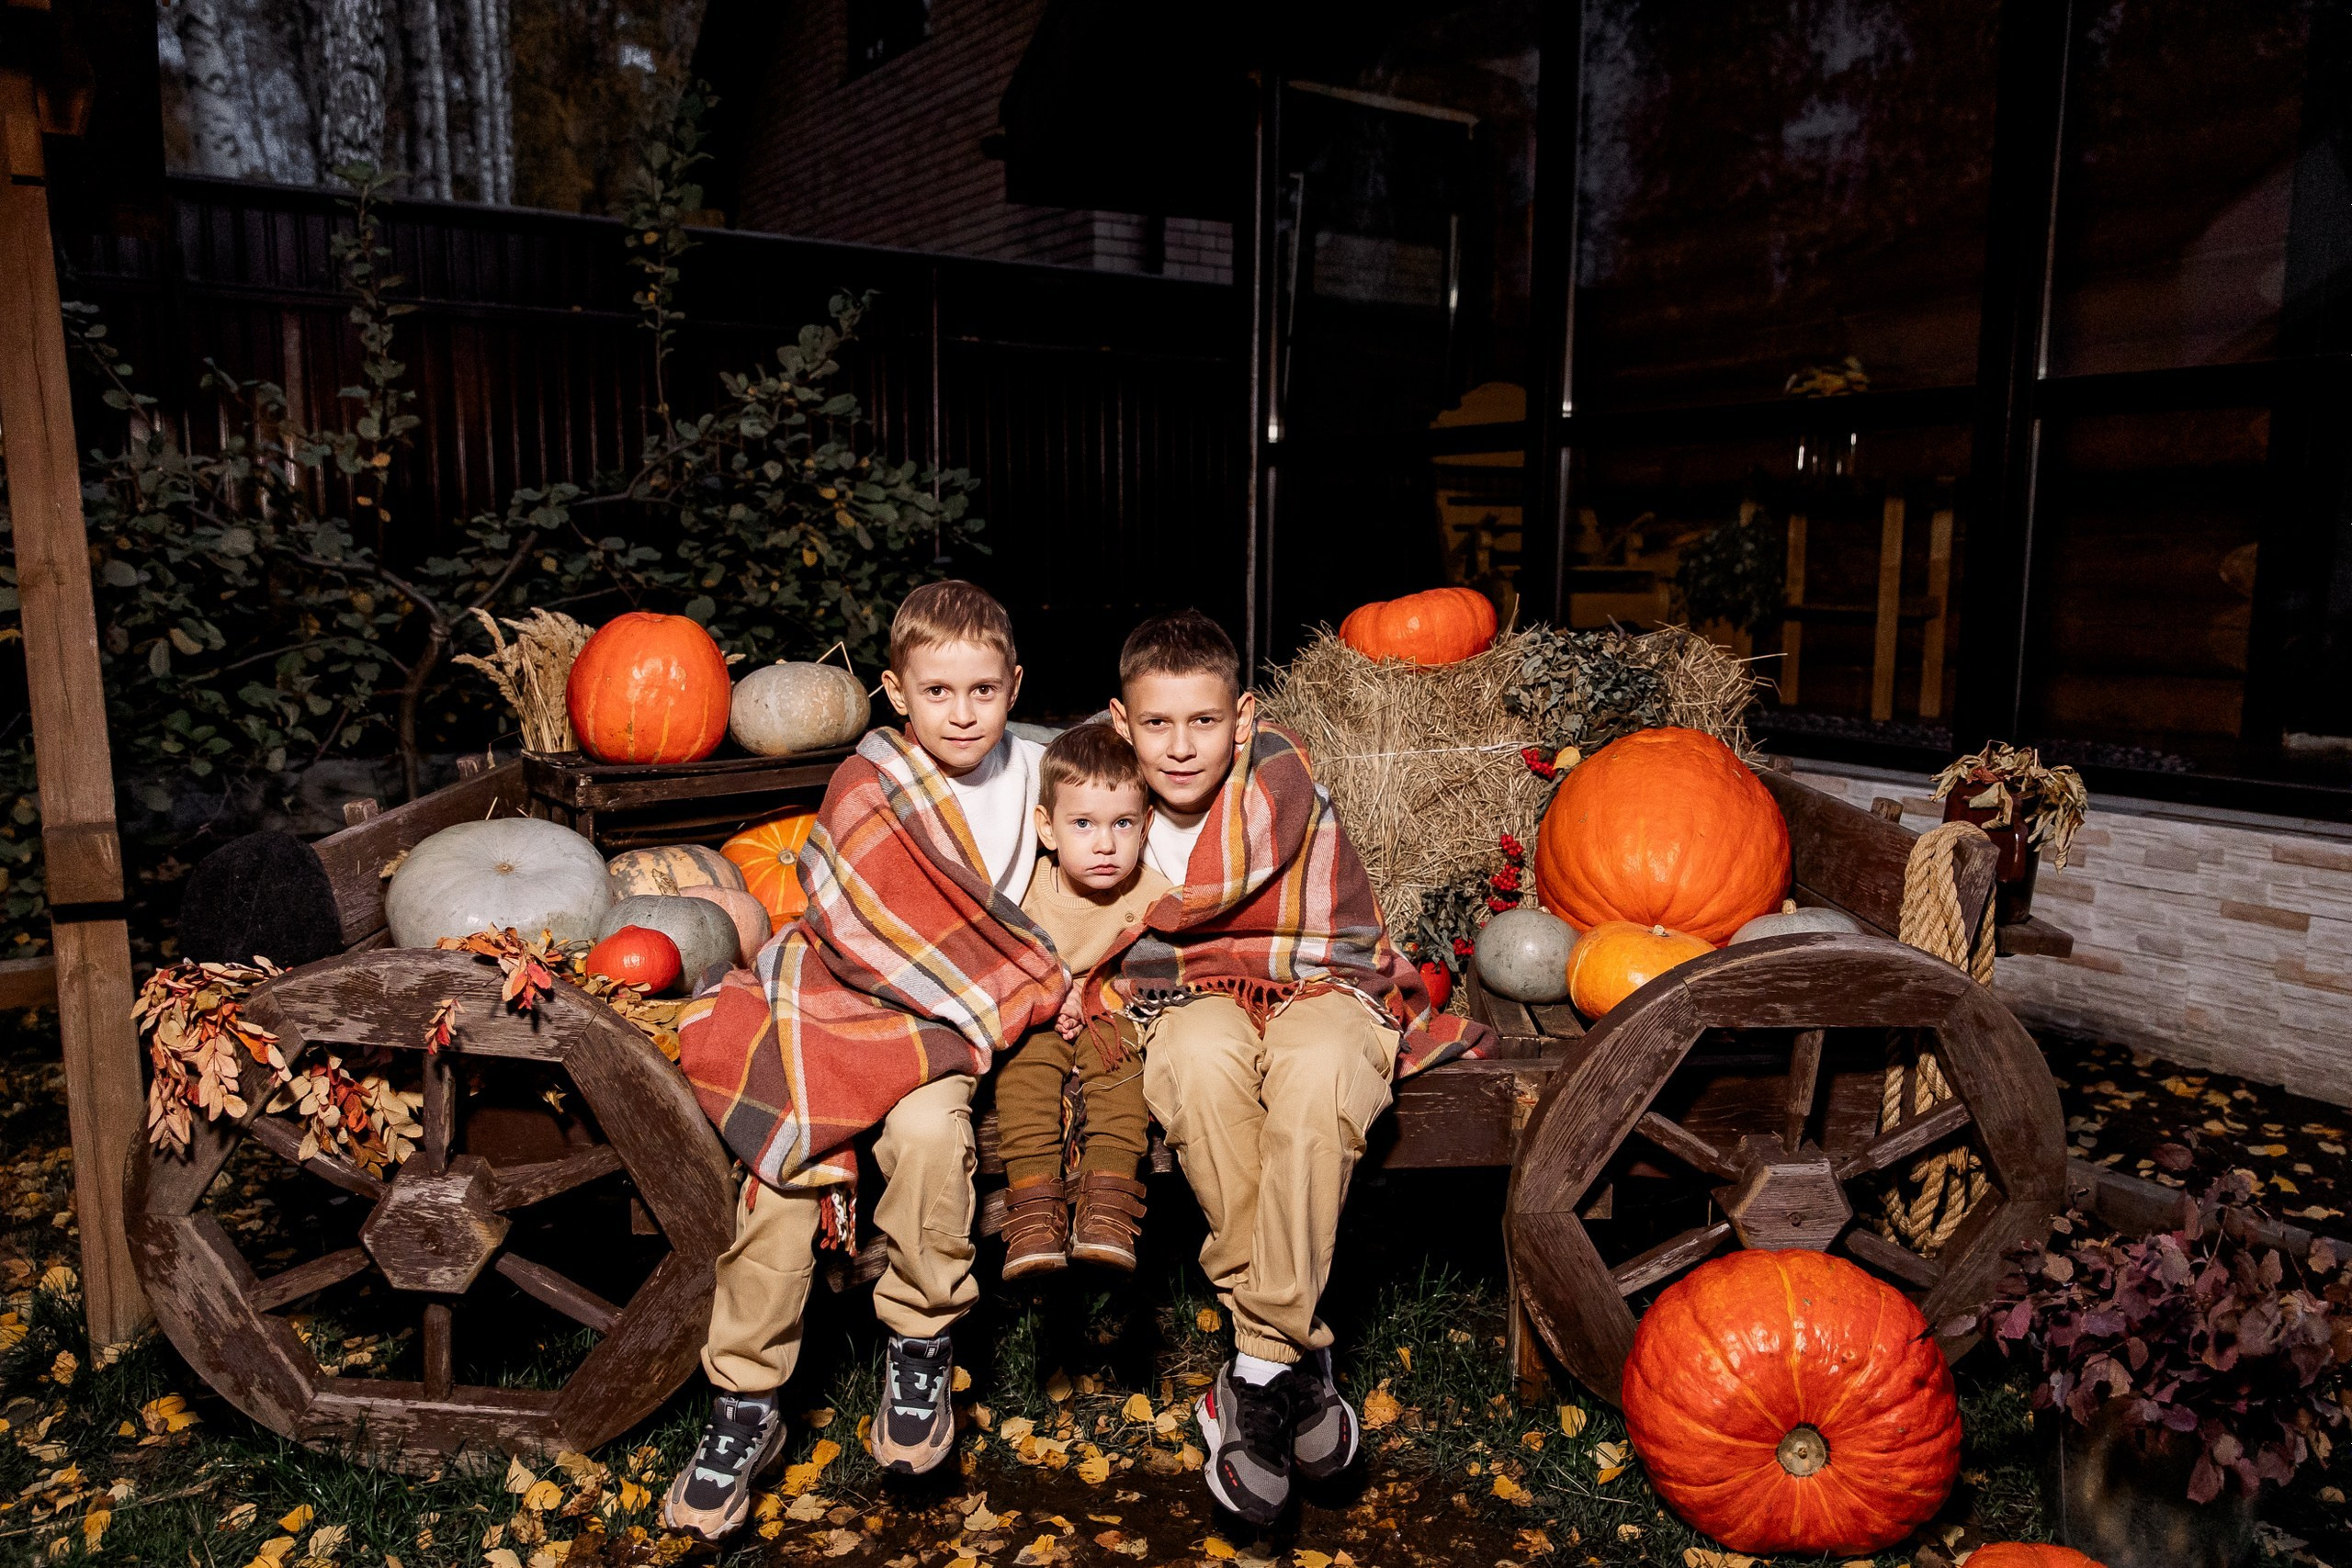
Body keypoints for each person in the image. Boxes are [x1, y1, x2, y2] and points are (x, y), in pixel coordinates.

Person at [664, 581, 1060, 1540]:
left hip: (950, 1014)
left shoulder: (1048, 767)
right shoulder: (867, 780)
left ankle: (920, 1340)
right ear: (894, 690)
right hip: (838, 995)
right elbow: (852, 913)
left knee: (931, 1131)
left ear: (1015, 684)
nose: (961, 713)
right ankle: (745, 1402)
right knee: (785, 1163)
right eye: (937, 692)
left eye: (982, 691)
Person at [1107, 609, 1488, 1526]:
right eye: (1156, 723)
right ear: (1122, 726)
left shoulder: (1280, 787)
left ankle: (1251, 1376)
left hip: (1323, 984)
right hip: (1184, 995)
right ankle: (1293, 1361)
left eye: (1203, 721)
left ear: (1241, 719)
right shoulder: (1102, 803)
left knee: (1321, 1073)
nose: (1181, 745)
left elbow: (1340, 940)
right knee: (1197, 1061)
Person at [994, 724, 1170, 1278]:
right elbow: (1004, 959)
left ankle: (1111, 1203)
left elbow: (1166, 967)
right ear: (1047, 828)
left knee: (1119, 1070)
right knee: (1023, 1072)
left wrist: (1100, 993)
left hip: (1112, 1018)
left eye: (1122, 824)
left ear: (1144, 826)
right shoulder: (1027, 889)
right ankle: (1033, 1206)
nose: (1104, 844)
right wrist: (1052, 993)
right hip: (1042, 1019)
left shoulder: (1152, 894)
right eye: (1083, 824)